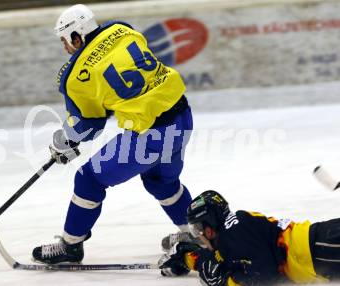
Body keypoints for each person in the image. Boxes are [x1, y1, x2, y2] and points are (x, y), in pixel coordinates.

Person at [32, 4, 197, 264]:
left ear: (76, 36)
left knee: (88, 179)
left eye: (65, 40)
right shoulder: (123, 30)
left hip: (151, 135)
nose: (65, 47)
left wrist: (66, 142)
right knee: (161, 181)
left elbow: (90, 125)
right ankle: (195, 234)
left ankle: (70, 246)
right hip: (182, 118)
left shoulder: (75, 77)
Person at [158, 190, 340, 285]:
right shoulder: (235, 229)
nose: (197, 234)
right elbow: (221, 260)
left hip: (320, 250)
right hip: (321, 242)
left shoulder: (232, 236)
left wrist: (223, 282)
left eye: (197, 227)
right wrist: (187, 259)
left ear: (209, 229)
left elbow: (265, 279)